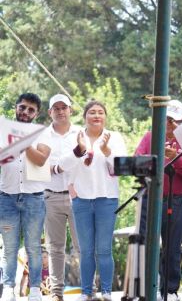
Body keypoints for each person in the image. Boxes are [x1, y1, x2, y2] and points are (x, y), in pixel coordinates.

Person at [59, 101, 127, 301]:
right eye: (92, 112)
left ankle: (106, 291)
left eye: (100, 113)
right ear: (85, 117)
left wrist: (106, 150)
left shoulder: (114, 137)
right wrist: (70, 185)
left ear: (105, 117)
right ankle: (86, 292)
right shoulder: (75, 136)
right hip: (81, 200)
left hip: (107, 199)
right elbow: (63, 164)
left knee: (104, 249)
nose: (96, 116)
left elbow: (121, 168)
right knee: (86, 250)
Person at [135, 100, 182, 301]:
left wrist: (176, 158)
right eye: (166, 119)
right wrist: (156, 159)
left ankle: (169, 289)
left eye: (173, 121)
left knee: (173, 247)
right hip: (151, 199)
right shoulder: (151, 136)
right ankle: (143, 290)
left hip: (177, 200)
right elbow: (136, 163)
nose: (169, 125)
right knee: (146, 244)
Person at [0, 93, 51, 301]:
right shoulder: (3, 129)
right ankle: (10, 288)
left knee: (33, 246)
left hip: (34, 199)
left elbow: (41, 159)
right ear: (16, 107)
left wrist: (24, 141)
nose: (25, 112)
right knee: (9, 246)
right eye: (22, 107)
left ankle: (36, 289)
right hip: (6, 197)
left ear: (36, 114)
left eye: (31, 110)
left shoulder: (43, 133)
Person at [42, 94, 81, 301]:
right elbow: (37, 166)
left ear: (70, 110)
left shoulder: (80, 134)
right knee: (55, 248)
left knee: (82, 246)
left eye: (63, 107)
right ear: (50, 112)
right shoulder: (42, 135)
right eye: (55, 108)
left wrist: (58, 167)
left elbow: (85, 162)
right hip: (50, 196)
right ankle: (56, 293)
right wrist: (55, 168)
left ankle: (89, 290)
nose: (60, 111)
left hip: (78, 197)